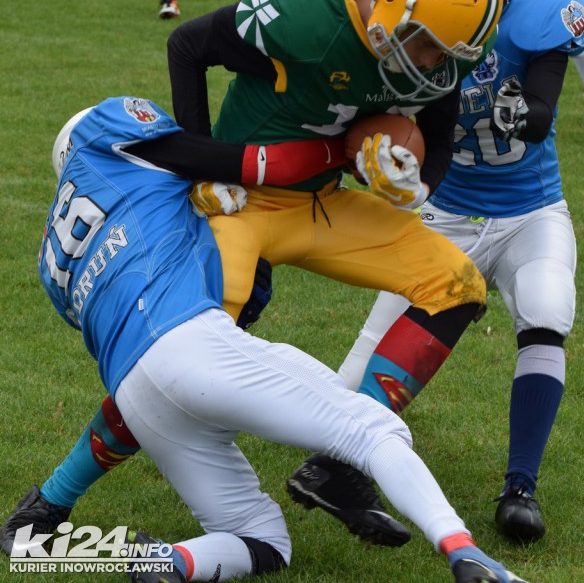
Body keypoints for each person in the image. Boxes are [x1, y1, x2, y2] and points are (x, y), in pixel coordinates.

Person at [0, 0, 505, 558]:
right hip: (242, 201)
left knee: (455, 284)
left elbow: (437, 139)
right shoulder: (300, 3)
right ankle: (52, 498)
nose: (432, 63)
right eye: (425, 43)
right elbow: (188, 44)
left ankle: (335, 468)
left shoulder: (443, 54)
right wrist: (202, 165)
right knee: (174, 352)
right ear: (394, 1)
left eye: (446, 53)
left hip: (323, 201)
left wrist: (412, 183)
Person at [14, 96, 530, 583]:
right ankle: (466, 552)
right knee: (372, 429)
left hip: (135, 392)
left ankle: (167, 560)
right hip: (192, 343)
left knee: (265, 541)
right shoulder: (113, 131)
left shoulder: (49, 264)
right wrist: (341, 150)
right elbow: (207, 155)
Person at [291, 0, 584, 546]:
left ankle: (521, 485)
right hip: (441, 210)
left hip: (529, 208)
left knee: (547, 307)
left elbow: (540, 109)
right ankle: (330, 463)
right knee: (363, 362)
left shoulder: (537, 14)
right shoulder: (402, 25)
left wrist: (517, 112)